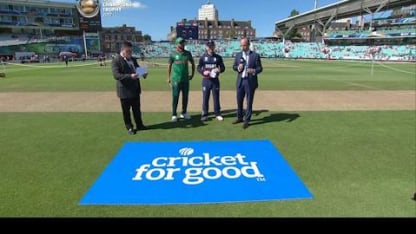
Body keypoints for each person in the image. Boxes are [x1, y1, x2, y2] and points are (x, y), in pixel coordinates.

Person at [111, 41, 148, 135]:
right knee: (126, 112)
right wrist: (130, 76)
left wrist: (143, 73)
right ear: (123, 50)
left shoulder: (133, 59)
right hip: (124, 91)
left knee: (137, 110)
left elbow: (138, 69)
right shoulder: (116, 60)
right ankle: (129, 127)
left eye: (131, 51)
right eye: (128, 51)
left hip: (135, 89)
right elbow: (116, 75)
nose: (130, 53)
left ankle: (139, 125)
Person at [232, 37, 263, 129]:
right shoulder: (238, 55)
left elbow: (260, 68)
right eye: (241, 45)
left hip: (250, 82)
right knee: (239, 101)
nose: (242, 47)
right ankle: (239, 117)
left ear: (248, 45)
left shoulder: (255, 55)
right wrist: (238, 68)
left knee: (249, 102)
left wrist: (253, 70)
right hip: (240, 81)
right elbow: (234, 66)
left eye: (244, 45)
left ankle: (247, 120)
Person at [167, 37, 195, 122]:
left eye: (183, 43)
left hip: (185, 79)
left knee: (185, 97)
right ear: (177, 44)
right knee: (175, 97)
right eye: (180, 43)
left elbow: (193, 64)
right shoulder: (173, 54)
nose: (182, 44)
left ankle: (184, 112)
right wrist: (168, 78)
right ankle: (174, 114)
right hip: (176, 79)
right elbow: (169, 66)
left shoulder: (188, 53)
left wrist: (192, 74)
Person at [197, 39, 225, 121]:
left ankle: (217, 113)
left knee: (216, 97)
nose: (210, 48)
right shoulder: (203, 57)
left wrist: (219, 70)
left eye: (212, 46)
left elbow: (223, 68)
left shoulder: (218, 57)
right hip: (206, 80)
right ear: (206, 47)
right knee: (205, 97)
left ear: (214, 47)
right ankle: (205, 114)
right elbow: (198, 67)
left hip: (215, 80)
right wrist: (203, 71)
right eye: (209, 46)